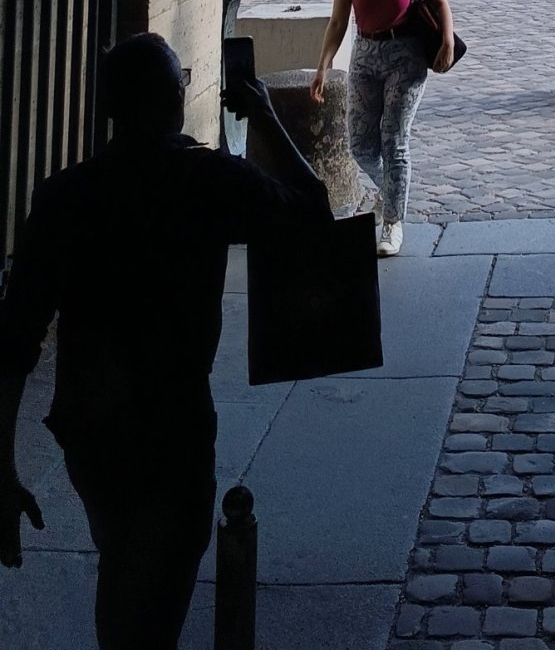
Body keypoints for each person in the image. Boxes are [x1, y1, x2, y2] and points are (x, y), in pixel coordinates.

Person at [0, 34, 329, 646]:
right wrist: (264, 113)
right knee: (157, 582)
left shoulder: (64, 197)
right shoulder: (206, 180)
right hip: (172, 419)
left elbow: (14, 341)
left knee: (122, 558)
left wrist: (0, 464)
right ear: (178, 102)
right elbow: (313, 212)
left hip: (91, 421)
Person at [312, 0, 455, 256]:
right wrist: (323, 65)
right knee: (360, 144)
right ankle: (391, 191)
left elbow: (439, 2)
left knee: (394, 139)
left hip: (405, 55)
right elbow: (337, 22)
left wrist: (448, 39)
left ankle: (392, 222)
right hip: (365, 54)